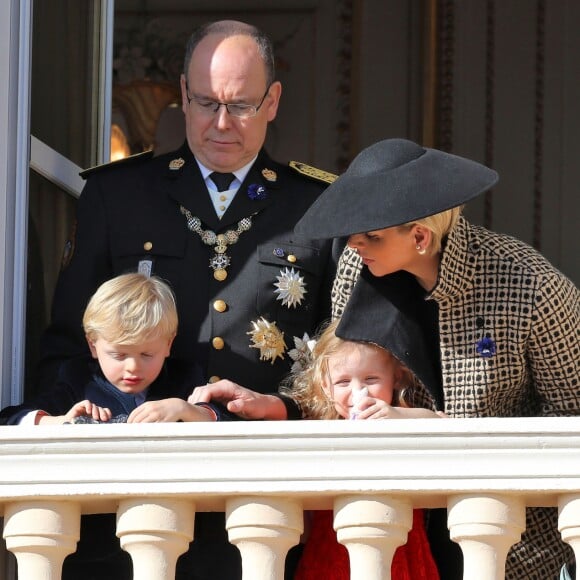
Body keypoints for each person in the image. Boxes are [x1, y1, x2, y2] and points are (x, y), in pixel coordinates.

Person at [34, 19, 341, 580]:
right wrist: (62, 425)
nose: (222, 124)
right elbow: (65, 350)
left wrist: (289, 413)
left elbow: (341, 364)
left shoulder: (319, 206)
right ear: (181, 94)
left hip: (266, 495)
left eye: (242, 106)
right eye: (205, 103)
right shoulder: (117, 194)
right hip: (127, 500)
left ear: (273, 101)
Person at [192, 138, 579, 579]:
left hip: (507, 544)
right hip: (389, 537)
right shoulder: (357, 271)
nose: (354, 243)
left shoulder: (532, 288)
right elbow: (335, 393)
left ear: (419, 236)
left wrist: (441, 428)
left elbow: (571, 425)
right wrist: (275, 406)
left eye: (371, 234)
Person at [1, 272, 215, 580]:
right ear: (92, 345)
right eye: (118, 354)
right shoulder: (79, 379)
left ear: (168, 344)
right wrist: (58, 420)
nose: (132, 367)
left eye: (146, 354)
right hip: (94, 544)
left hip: (171, 538)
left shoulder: (183, 379)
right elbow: (11, 417)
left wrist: (184, 409)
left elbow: (221, 417)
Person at [281, 319, 442, 579]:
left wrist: (399, 416)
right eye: (343, 382)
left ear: (396, 378)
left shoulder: (402, 423)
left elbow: (443, 425)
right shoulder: (320, 433)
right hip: (330, 551)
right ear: (325, 385)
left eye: (371, 379)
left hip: (400, 549)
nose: (359, 391)